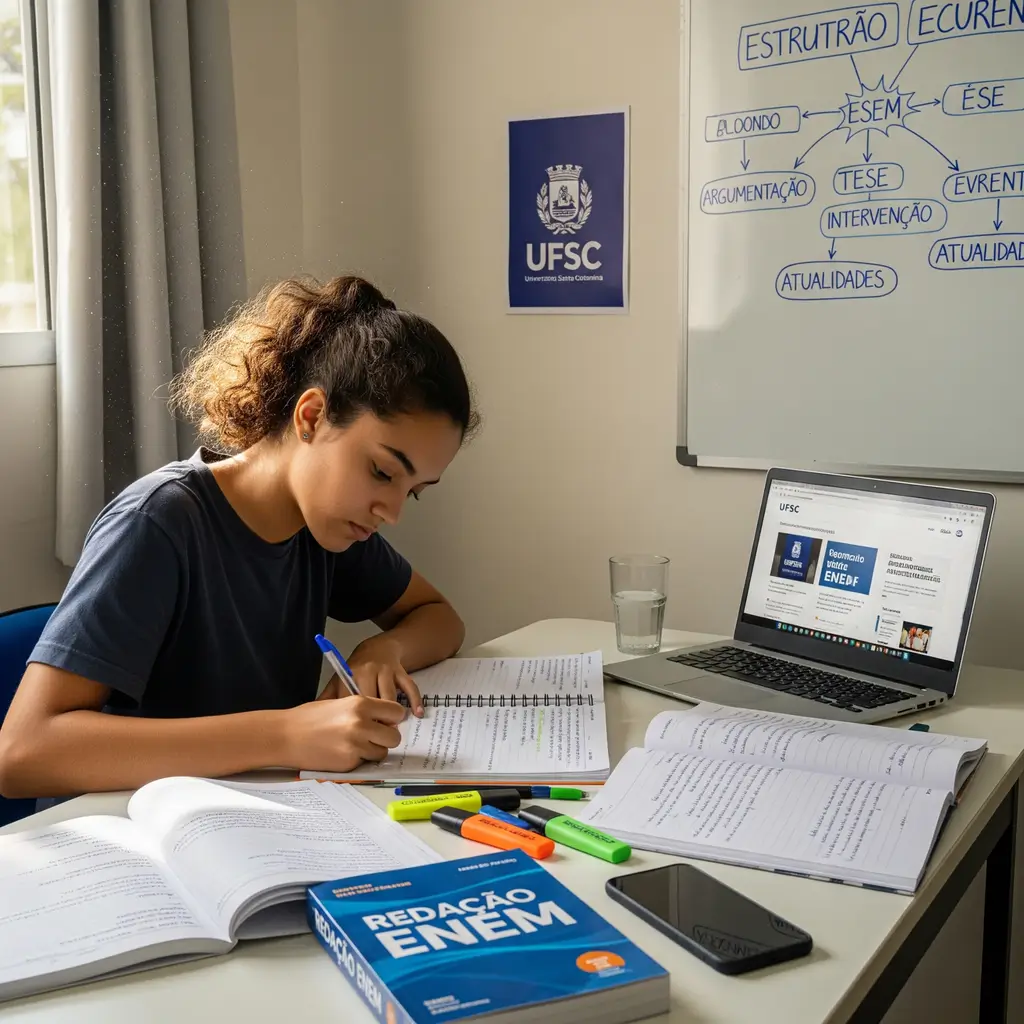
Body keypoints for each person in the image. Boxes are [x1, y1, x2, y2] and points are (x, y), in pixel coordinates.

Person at [0, 275, 478, 798]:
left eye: (413, 491)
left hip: (256, 814)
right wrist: (284, 733)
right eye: (384, 472)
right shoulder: (158, 524)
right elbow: (22, 752)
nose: (390, 512)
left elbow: (439, 619)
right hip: (135, 835)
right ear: (312, 416)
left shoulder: (328, 528)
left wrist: (381, 651)